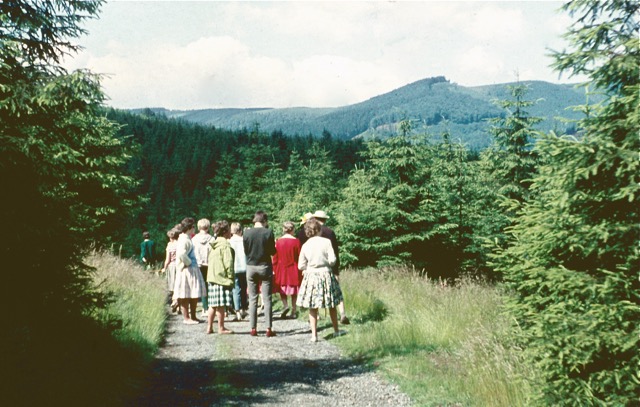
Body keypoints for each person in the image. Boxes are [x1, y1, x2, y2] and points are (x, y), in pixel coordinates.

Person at [296, 218, 344, 342]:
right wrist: (327, 263)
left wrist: (308, 268)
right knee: (331, 303)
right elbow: (333, 260)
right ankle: (336, 330)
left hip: (311, 276)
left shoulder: (306, 245)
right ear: (318, 229)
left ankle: (314, 335)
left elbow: (300, 265)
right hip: (326, 274)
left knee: (313, 306)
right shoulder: (326, 242)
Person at [311, 210, 350, 325]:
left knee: (316, 291)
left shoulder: (311, 233)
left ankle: (316, 315)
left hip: (316, 267)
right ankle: (342, 313)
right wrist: (336, 269)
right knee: (336, 291)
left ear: (315, 219)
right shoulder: (330, 232)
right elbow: (335, 252)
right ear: (325, 219)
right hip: (330, 266)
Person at [243, 210, 276, 337]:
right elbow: (272, 251)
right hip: (265, 266)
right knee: (267, 298)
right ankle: (268, 328)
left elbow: (246, 251)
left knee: (252, 298)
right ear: (264, 221)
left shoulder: (246, 233)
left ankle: (253, 328)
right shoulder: (268, 232)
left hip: (251, 266)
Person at [173, 217, 207, 324]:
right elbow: (181, 254)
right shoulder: (184, 239)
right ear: (189, 228)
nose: (194, 229)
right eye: (192, 227)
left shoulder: (186, 238)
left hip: (191, 269)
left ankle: (193, 316)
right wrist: (188, 263)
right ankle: (187, 318)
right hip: (187, 269)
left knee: (193, 293)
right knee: (185, 294)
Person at [205, 220, 235, 334]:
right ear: (225, 232)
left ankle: (209, 326)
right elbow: (228, 263)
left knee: (212, 304)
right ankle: (221, 327)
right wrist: (230, 277)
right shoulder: (225, 245)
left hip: (211, 277)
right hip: (221, 278)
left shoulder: (214, 244)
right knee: (221, 305)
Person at [273, 221, 302, 319]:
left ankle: (285, 305)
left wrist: (274, 268)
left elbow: (275, 257)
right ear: (293, 230)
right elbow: (299, 256)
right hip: (294, 267)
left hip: (281, 268)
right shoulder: (296, 241)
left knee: (282, 289)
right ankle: (294, 310)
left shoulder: (278, 241)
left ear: (283, 229)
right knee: (294, 291)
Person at [193, 218, 213, 318]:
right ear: (208, 227)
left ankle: (204, 308)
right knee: (209, 285)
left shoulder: (194, 239)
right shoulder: (212, 239)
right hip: (209, 264)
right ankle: (210, 307)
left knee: (201, 286)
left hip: (198, 264)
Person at [229, 222, 248, 321]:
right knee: (244, 288)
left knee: (236, 290)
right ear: (240, 230)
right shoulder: (244, 240)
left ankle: (237, 311)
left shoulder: (229, 241)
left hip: (234, 268)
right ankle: (244, 309)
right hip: (245, 267)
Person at [162, 227, 180, 313]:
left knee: (172, 285)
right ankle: (179, 305)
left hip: (172, 266)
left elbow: (167, 259)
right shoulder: (180, 244)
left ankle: (174, 301)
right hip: (180, 265)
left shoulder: (170, 245)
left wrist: (164, 268)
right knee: (179, 285)